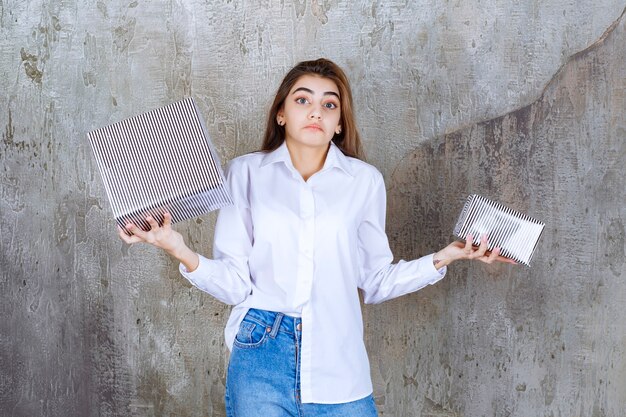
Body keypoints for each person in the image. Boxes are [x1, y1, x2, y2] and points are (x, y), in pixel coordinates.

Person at [118, 58, 515, 416]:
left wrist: (445, 256)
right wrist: (178, 247)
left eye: (329, 104)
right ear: (281, 114)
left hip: (338, 358)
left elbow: (375, 281)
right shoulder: (244, 174)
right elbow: (236, 283)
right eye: (303, 100)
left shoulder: (364, 182)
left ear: (340, 122)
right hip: (261, 350)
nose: (316, 112)